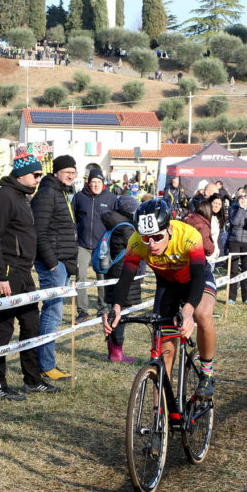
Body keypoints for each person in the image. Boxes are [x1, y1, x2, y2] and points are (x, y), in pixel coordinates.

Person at [105, 200, 218, 399]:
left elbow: (199, 276)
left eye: (157, 237)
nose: (152, 244)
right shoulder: (136, 241)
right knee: (163, 353)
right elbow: (126, 277)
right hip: (168, 285)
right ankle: (162, 414)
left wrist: (189, 310)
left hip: (195, 279)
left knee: (202, 314)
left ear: (170, 229)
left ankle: (207, 374)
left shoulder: (189, 236)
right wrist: (116, 308)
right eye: (146, 238)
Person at [0, 154, 57, 399]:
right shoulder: (5, 196)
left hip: (24, 271)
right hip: (7, 272)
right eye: (35, 174)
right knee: (3, 328)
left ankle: (32, 378)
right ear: (21, 174)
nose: (38, 179)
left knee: (31, 324)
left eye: (40, 175)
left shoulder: (22, 196)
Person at [31, 155, 79, 383]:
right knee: (52, 314)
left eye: (74, 171)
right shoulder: (48, 193)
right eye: (66, 171)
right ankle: (46, 366)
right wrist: (52, 263)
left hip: (63, 263)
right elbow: (39, 232)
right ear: (56, 172)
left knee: (55, 315)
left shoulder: (60, 192)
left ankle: (48, 363)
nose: (71, 175)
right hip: (54, 265)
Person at [72, 167, 117, 324]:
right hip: (82, 244)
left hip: (102, 245)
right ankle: (82, 311)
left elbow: (116, 221)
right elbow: (73, 218)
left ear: (103, 183)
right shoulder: (79, 197)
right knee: (80, 275)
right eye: (93, 182)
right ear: (88, 183)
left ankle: (103, 308)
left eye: (98, 182)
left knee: (102, 277)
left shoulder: (111, 198)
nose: (96, 185)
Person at [100, 195, 141, 362]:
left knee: (115, 312)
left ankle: (113, 351)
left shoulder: (114, 223)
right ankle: (117, 352)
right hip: (124, 273)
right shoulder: (126, 228)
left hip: (113, 272)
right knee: (120, 315)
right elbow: (139, 247)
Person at [227, 191, 247, 305]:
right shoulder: (233, 209)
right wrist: (241, 209)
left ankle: (246, 297)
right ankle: (231, 297)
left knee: (246, 269)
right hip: (234, 241)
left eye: (246, 196)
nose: (243, 198)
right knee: (233, 270)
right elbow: (234, 222)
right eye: (241, 196)